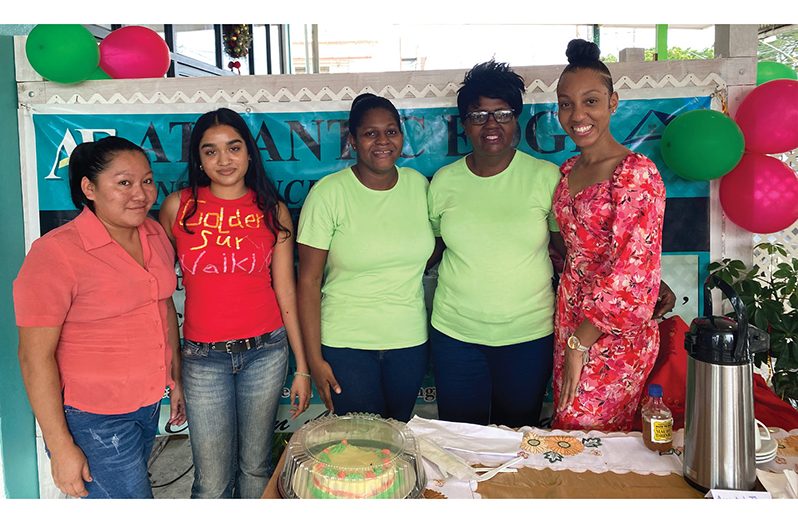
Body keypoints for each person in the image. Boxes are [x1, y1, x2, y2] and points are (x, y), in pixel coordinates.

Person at [14, 136, 185, 499]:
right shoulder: (56, 253)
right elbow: (33, 357)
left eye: (147, 180)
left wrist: (173, 374)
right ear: (88, 188)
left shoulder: (153, 233)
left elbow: (162, 303)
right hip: (93, 416)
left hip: (146, 402)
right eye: (124, 183)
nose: (140, 194)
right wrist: (60, 447)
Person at [158, 108, 311, 498]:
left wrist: (303, 367)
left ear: (248, 154)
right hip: (201, 359)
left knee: (257, 467)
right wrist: (170, 368)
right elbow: (156, 292)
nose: (224, 160)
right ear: (198, 159)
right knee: (210, 481)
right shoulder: (179, 207)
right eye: (211, 152)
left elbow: (286, 291)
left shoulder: (272, 211)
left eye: (234, 148)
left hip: (265, 352)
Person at [426, 60, 563, 429]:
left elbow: (570, 253)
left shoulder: (545, 177)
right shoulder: (444, 182)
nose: (491, 124)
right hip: (456, 336)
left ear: (517, 117)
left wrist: (637, 286)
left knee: (518, 440)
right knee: (460, 439)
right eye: (478, 114)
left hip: (528, 337)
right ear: (464, 122)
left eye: (502, 113)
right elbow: (429, 251)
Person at [551, 39, 667, 432]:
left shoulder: (635, 174)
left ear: (613, 103)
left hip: (611, 334)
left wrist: (579, 344)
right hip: (571, 323)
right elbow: (581, 250)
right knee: (569, 436)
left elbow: (632, 273)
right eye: (566, 103)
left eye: (591, 101)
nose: (577, 114)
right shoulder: (569, 170)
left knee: (587, 435)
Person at [297, 93, 434, 422]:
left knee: (399, 438)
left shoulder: (420, 187)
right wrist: (314, 359)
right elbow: (308, 281)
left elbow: (436, 246)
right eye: (370, 133)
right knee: (363, 445)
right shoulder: (329, 194)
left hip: (409, 342)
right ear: (353, 141)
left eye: (391, 131)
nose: (383, 141)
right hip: (347, 345)